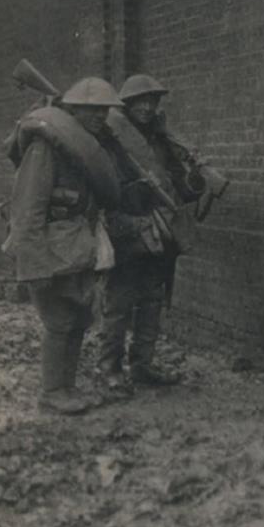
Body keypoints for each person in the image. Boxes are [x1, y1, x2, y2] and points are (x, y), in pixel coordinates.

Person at [96, 73, 229, 394]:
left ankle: (142, 365)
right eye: (139, 102)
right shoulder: (111, 140)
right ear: (126, 105)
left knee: (153, 299)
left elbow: (180, 185)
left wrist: (198, 181)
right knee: (119, 302)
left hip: (162, 229)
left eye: (152, 101)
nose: (146, 107)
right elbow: (103, 186)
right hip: (128, 227)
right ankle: (109, 368)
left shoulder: (161, 140)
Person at [3, 77, 124, 415]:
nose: (99, 117)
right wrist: (34, 266)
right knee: (58, 322)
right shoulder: (45, 150)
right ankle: (53, 392)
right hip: (48, 251)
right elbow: (27, 211)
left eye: (103, 111)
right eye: (91, 110)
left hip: (75, 250)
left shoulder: (84, 152)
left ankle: (67, 388)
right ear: (72, 111)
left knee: (77, 319)